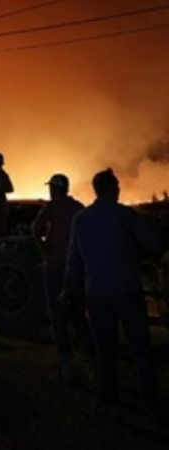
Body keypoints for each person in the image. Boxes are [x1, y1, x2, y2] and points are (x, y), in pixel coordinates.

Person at [64, 168, 165, 425]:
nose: (120, 189)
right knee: (140, 349)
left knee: (104, 349)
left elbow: (73, 261)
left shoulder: (81, 219)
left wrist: (68, 289)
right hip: (127, 291)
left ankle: (108, 401)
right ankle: (150, 402)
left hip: (96, 294)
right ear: (112, 189)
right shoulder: (125, 215)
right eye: (118, 185)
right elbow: (153, 244)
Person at [32, 174, 93, 386]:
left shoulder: (50, 208)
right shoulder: (78, 207)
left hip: (55, 268)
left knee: (57, 318)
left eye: (51, 187)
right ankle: (92, 364)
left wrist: (43, 248)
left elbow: (35, 228)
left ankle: (66, 367)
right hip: (76, 268)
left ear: (55, 189)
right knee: (79, 316)